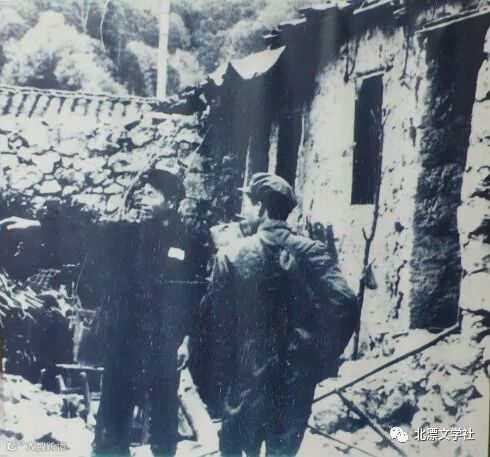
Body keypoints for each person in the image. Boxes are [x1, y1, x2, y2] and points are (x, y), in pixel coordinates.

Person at [0, 168, 207, 457]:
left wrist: (187, 340)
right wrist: (39, 226)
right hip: (124, 343)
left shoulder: (192, 242)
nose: (142, 199)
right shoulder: (128, 235)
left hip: (164, 345)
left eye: (150, 195)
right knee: (112, 423)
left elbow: (197, 298)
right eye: (141, 193)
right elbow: (86, 233)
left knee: (163, 423)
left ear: (171, 202)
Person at [178, 172, 357, 457]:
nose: (243, 212)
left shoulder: (232, 255)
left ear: (260, 208)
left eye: (248, 203)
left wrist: (221, 370)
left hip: (245, 379)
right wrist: (320, 356)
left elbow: (210, 321)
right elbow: (345, 302)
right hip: (294, 379)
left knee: (235, 450)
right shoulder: (312, 251)